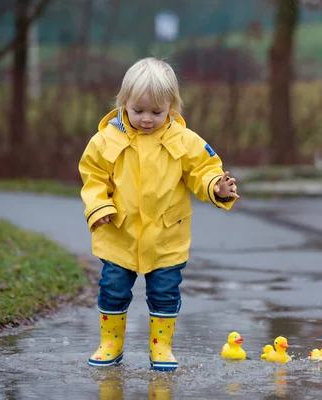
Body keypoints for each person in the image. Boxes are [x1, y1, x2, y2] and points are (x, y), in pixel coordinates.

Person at [78, 57, 239, 371]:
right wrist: (98, 207)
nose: (147, 119)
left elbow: (202, 170)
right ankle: (110, 343)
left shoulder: (183, 140)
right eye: (138, 111)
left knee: (165, 292)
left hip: (167, 235)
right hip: (119, 233)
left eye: (157, 112)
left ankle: (161, 346)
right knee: (113, 289)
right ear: (123, 102)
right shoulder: (106, 141)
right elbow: (93, 176)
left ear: (172, 107)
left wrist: (216, 186)